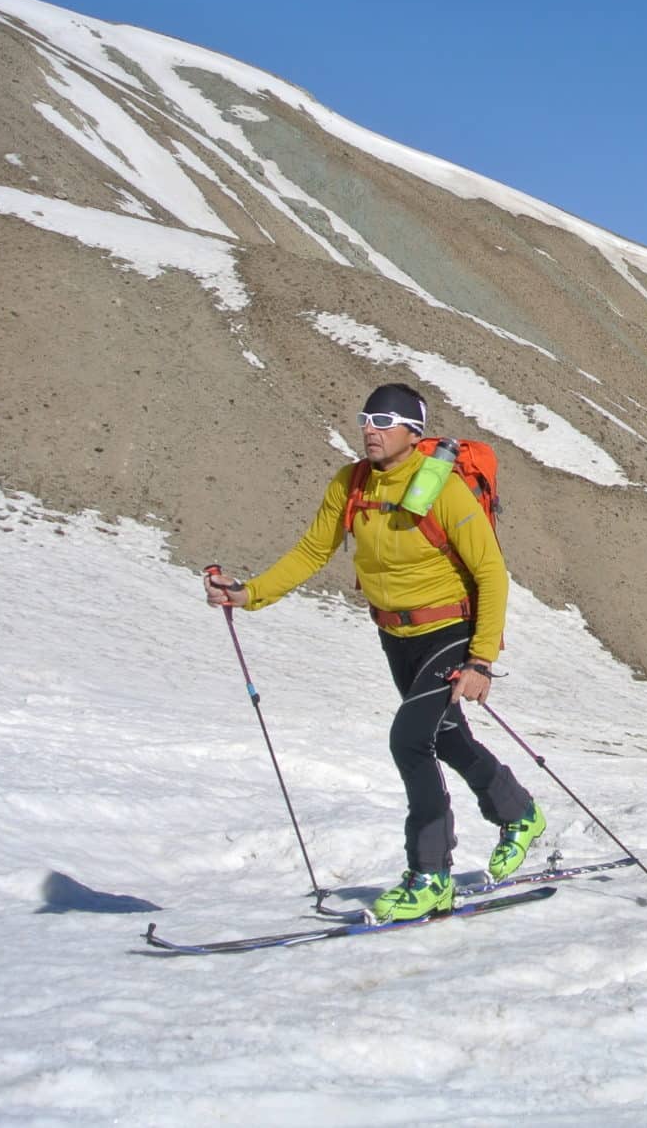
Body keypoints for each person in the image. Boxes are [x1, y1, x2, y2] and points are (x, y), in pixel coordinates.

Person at [203, 383, 546, 922]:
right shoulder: (352, 482)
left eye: (384, 420)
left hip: (449, 630)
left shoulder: (444, 489)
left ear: (413, 431)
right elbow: (314, 551)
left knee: (409, 742)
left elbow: (490, 572)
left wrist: (479, 661)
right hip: (395, 635)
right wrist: (249, 595)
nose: (370, 428)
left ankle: (430, 873)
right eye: (366, 418)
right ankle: (519, 812)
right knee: (447, 737)